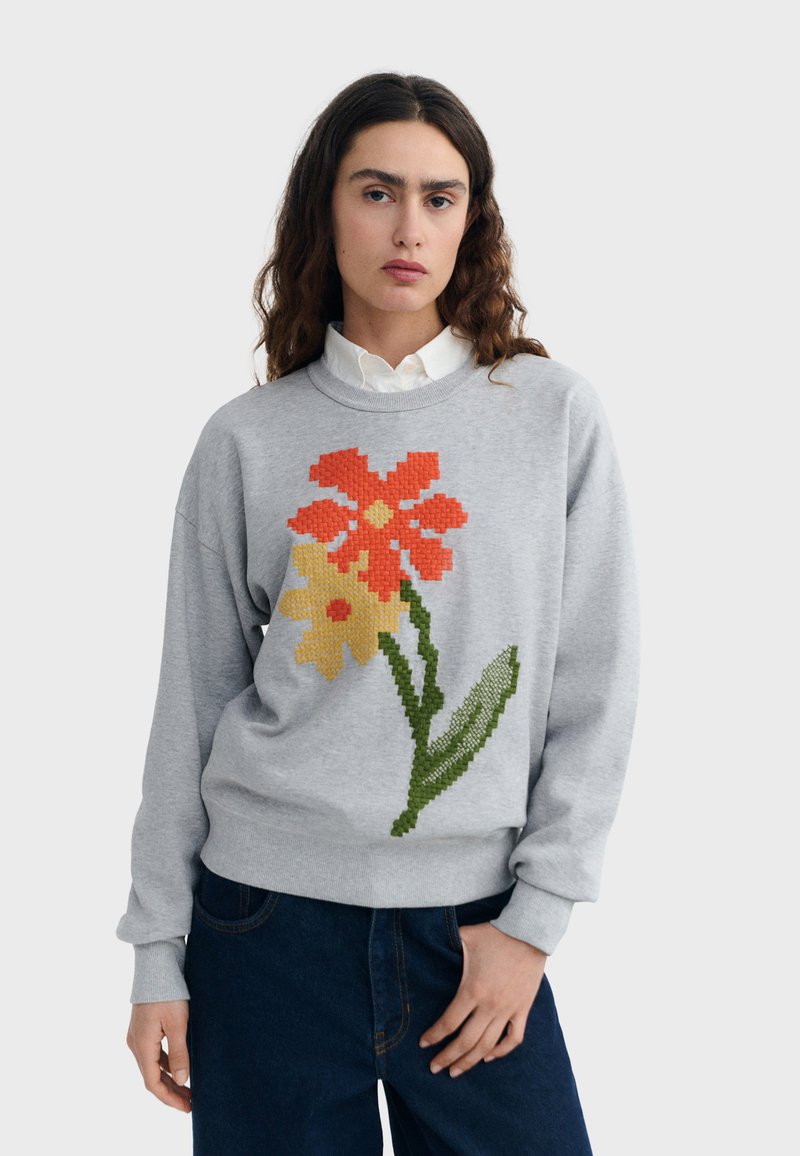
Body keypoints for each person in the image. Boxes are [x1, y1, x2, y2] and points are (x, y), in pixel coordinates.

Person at [117, 71, 641, 1154]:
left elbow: (596, 685)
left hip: (474, 928)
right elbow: (192, 704)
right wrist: (157, 950)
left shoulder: (551, 417)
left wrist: (533, 926)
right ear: (325, 208)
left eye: (439, 198)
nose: (409, 228)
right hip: (262, 929)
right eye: (376, 192)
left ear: (470, 222)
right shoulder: (247, 439)